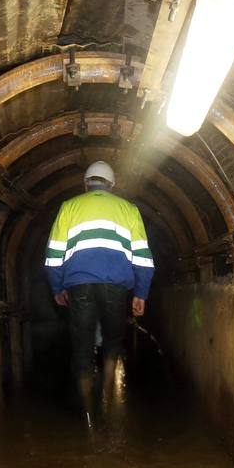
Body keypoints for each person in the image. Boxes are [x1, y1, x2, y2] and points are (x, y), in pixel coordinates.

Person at [44, 161, 154, 423]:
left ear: (86, 184)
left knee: (82, 348)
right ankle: (107, 400)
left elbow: (53, 256)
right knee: (113, 342)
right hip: (116, 287)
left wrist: (58, 288)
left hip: (79, 285)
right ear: (112, 185)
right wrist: (141, 293)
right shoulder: (128, 209)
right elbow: (142, 257)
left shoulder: (69, 207)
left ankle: (88, 416)